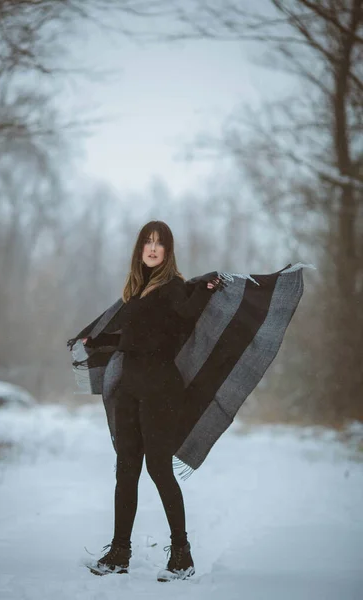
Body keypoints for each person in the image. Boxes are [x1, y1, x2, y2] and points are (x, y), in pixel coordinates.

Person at [80, 221, 226, 582]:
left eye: (159, 243)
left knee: (159, 470)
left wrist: (208, 288)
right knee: (126, 469)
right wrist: (96, 340)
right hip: (129, 387)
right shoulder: (135, 291)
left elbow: (190, 313)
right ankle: (118, 553)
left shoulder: (173, 286)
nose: (152, 247)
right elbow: (130, 336)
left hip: (161, 388)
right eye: (147, 241)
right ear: (139, 248)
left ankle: (182, 557)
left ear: (168, 251)